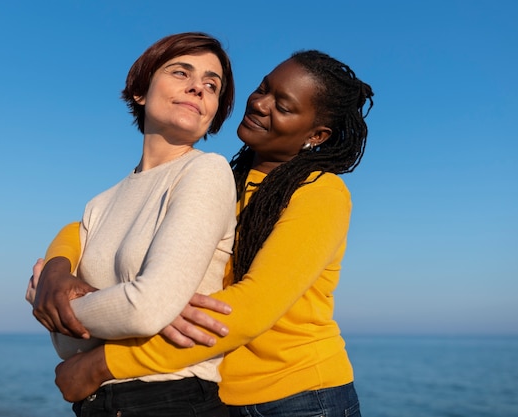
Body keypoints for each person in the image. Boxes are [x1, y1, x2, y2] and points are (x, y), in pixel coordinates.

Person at [31, 49, 374, 417]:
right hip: (224, 394)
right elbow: (85, 227)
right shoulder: (228, 179)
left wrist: (104, 363)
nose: (259, 103)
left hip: (301, 395)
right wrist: (57, 269)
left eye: (283, 106)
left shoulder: (320, 192)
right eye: (263, 88)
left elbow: (248, 309)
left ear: (316, 135)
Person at [26, 31, 238, 417]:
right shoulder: (99, 204)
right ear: (141, 91)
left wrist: (54, 303)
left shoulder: (206, 171)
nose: (197, 88)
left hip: (174, 399)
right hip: (95, 403)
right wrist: (78, 302)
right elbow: (67, 346)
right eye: (180, 73)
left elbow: (146, 309)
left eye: (212, 85)